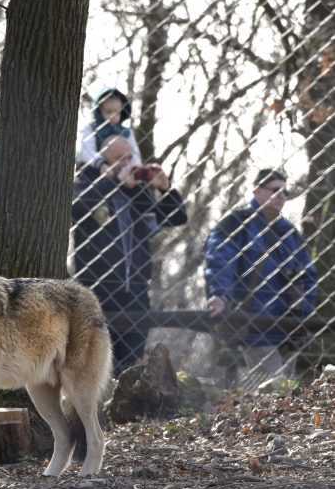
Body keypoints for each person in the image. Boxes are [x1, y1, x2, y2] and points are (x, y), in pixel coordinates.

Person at [71, 134, 187, 375]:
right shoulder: (87, 181)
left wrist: (166, 190)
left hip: (135, 289)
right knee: (95, 362)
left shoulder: (138, 191)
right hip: (97, 289)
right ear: (102, 160)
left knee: (131, 361)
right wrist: (112, 181)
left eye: (129, 158)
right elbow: (78, 207)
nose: (126, 165)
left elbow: (176, 218)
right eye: (117, 160)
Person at [205, 169, 318, 384]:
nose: (281, 197)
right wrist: (220, 293)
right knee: (273, 389)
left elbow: (308, 275)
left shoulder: (288, 232)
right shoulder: (235, 223)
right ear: (257, 190)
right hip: (251, 324)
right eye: (275, 190)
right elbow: (220, 260)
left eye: (285, 192)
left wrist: (303, 313)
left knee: (284, 390)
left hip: (287, 327)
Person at [76, 88, 142, 169]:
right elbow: (86, 151)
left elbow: (135, 154)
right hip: (96, 168)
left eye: (117, 112)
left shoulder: (126, 132)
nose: (113, 116)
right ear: (99, 112)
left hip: (122, 170)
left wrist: (135, 168)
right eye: (109, 112)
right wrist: (101, 164)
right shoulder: (91, 129)